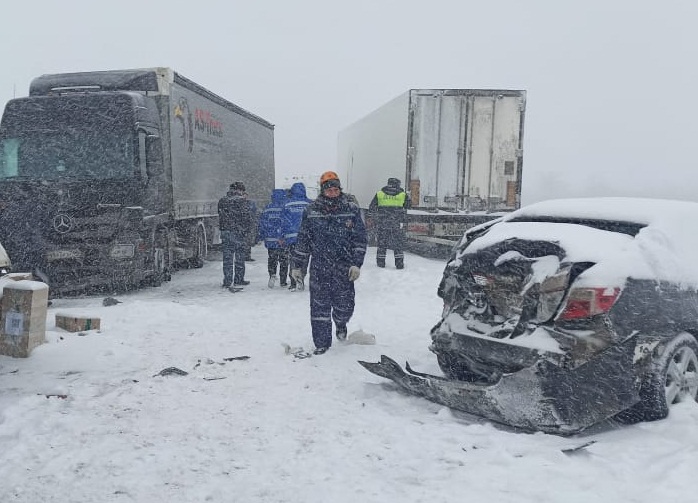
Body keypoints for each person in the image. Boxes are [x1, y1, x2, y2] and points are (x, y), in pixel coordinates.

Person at [291, 171, 367, 355]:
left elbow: (359, 239)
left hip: (344, 267)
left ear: (339, 189)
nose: (332, 192)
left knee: (345, 306)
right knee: (319, 307)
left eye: (335, 189)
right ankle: (322, 343)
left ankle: (341, 323)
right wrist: (297, 265)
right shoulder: (311, 211)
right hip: (319, 268)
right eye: (329, 190)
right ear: (322, 191)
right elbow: (303, 240)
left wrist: (357, 264)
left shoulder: (351, 209)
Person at [367, 177, 410, 269]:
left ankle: (380, 263)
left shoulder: (380, 194)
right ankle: (399, 264)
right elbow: (408, 205)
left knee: (382, 244)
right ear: (398, 185)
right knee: (397, 244)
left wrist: (371, 217)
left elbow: (372, 207)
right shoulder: (402, 194)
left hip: (382, 223)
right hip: (396, 224)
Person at [217, 181, 252, 290]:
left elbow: (220, 214)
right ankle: (239, 279)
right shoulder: (243, 202)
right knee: (239, 257)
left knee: (227, 258)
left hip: (226, 232)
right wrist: (246, 230)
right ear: (240, 190)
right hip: (239, 232)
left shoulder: (222, 201)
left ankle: (227, 280)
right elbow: (247, 217)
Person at [281, 182, 313, 291]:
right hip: (306, 236)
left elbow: (283, 221)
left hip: (291, 237)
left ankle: (293, 281)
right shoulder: (310, 204)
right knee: (304, 258)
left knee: (293, 258)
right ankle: (302, 277)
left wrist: (282, 235)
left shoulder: (287, 204)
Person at [258, 188, 289, 288]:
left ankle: (272, 275)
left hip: (271, 239)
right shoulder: (285, 207)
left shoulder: (268, 208)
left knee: (272, 259)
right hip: (282, 239)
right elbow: (287, 223)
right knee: (284, 260)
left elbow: (262, 223)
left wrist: (263, 235)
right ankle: (283, 280)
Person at [245, 196, 259, 262]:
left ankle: (247, 256)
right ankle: (245, 256)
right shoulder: (243, 204)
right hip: (245, 226)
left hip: (249, 225)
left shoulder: (250, 204)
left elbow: (255, 213)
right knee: (246, 241)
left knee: (248, 241)